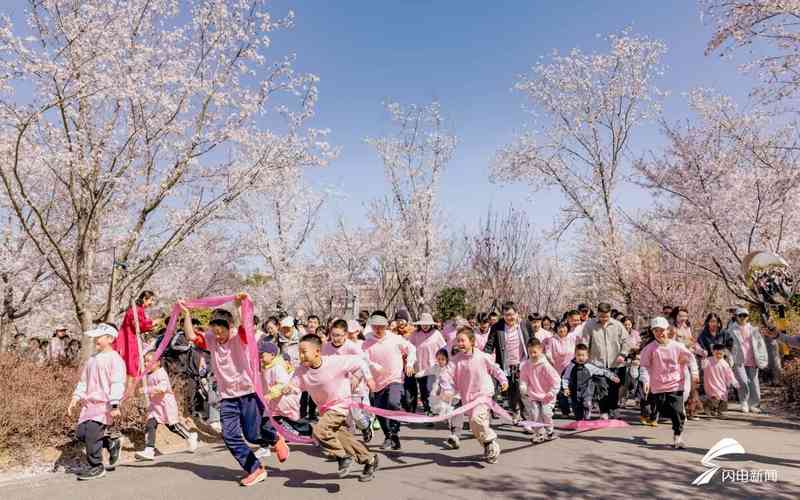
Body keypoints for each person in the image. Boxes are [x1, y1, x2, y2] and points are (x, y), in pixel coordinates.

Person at [179, 295, 289, 487]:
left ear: (230, 328)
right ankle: (255, 469)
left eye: (222, 331)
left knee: (253, 435)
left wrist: (238, 305)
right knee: (230, 437)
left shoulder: (239, 338)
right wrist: (187, 314)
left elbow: (244, 325)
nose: (218, 335)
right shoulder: (211, 339)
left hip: (247, 393)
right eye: (215, 331)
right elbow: (191, 336)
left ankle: (274, 437)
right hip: (227, 397)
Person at [283, 333, 380, 482]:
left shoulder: (335, 362)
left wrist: (368, 378)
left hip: (340, 405)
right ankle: (370, 460)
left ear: (317, 351)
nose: (301, 356)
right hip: (325, 409)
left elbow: (360, 361)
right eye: (299, 353)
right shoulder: (301, 370)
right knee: (344, 439)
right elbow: (294, 385)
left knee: (320, 431)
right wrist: (286, 389)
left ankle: (343, 457)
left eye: (304, 352)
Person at [439, 326, 508, 464]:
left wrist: (503, 380)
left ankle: (491, 443)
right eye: (458, 341)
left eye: (463, 340)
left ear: (472, 341)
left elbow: (495, 368)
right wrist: (447, 389)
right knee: (474, 426)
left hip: (483, 394)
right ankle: (489, 447)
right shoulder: (455, 360)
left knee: (477, 420)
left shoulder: (482, 356)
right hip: (467, 398)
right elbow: (445, 376)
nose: (460, 344)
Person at [67, 323, 125, 481]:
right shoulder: (92, 359)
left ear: (110, 338)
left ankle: (97, 467)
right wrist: (76, 397)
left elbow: (117, 382)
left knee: (92, 434)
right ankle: (111, 443)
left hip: (104, 404)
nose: (95, 340)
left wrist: (114, 404)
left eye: (99, 337)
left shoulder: (115, 359)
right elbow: (84, 381)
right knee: (82, 434)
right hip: (89, 404)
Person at [639, 317, 698, 449]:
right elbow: (644, 366)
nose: (660, 333)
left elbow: (691, 359)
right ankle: (674, 417)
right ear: (653, 332)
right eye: (656, 331)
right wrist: (646, 380)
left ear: (668, 330)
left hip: (676, 384)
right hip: (658, 386)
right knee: (665, 411)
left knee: (676, 411)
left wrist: (694, 373)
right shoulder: (649, 349)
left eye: (662, 330)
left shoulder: (677, 346)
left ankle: (678, 436)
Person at [362, 312, 416, 451]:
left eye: (381, 326)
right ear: (371, 327)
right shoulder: (366, 341)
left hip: (395, 378)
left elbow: (411, 349)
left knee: (393, 402)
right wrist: (373, 368)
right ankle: (389, 436)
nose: (378, 329)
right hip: (377, 382)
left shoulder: (395, 338)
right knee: (380, 411)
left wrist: (409, 363)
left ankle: (394, 432)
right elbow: (362, 359)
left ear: (386, 326)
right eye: (375, 327)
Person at [135, 351, 199, 460]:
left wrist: (146, 390)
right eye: (145, 361)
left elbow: (162, 388)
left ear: (158, 362)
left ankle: (190, 436)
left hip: (166, 405)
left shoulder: (161, 373)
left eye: (149, 361)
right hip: (155, 406)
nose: (146, 364)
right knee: (150, 425)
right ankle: (149, 450)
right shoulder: (149, 375)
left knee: (173, 426)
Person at [323, 319, 373, 443]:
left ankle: (366, 426)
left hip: (354, 386)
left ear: (345, 334)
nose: (335, 338)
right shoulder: (326, 347)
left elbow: (364, 363)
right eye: (333, 335)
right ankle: (348, 444)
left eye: (338, 335)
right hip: (337, 389)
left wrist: (357, 376)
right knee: (346, 418)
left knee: (356, 415)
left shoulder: (352, 347)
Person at [484, 301, 532, 422]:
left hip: (522, 363)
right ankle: (515, 411)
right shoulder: (497, 327)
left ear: (517, 313)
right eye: (506, 315)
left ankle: (527, 421)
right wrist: (483, 358)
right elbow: (489, 345)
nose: (509, 318)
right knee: (511, 393)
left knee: (522, 391)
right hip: (506, 365)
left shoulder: (525, 324)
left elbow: (532, 341)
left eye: (511, 314)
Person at [583, 302, 630, 419]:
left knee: (614, 388)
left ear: (610, 314)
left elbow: (626, 341)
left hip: (616, 363)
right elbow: (584, 342)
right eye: (601, 316)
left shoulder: (617, 325)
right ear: (598, 313)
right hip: (597, 363)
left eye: (606, 316)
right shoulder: (589, 325)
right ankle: (603, 411)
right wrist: (584, 357)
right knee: (602, 387)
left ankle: (613, 409)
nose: (604, 319)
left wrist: (623, 355)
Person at [257, 338, 311, 440]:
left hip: (284, 402)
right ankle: (271, 444)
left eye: (262, 355)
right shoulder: (266, 367)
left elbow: (282, 384)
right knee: (265, 426)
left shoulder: (277, 367)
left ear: (272, 355)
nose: (260, 358)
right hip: (273, 405)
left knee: (297, 423)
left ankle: (313, 435)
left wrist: (270, 394)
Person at [113, 290, 156, 398]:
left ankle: (128, 396)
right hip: (129, 342)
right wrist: (152, 323)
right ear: (145, 299)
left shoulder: (137, 310)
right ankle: (128, 396)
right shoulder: (135, 311)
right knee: (131, 367)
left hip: (131, 340)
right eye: (151, 300)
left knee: (131, 367)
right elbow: (138, 325)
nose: (152, 303)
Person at [561, 344, 620, 421]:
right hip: (575, 392)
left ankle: (587, 417)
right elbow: (565, 377)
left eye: (583, 355)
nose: (581, 357)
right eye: (578, 355)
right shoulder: (571, 366)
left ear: (587, 356)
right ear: (575, 355)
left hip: (587, 391)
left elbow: (602, 371)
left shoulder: (589, 366)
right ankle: (580, 419)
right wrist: (565, 388)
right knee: (577, 411)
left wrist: (612, 377)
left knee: (587, 404)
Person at [519, 338, 560, 443]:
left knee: (546, 414)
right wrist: (523, 387)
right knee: (535, 414)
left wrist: (551, 392)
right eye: (530, 352)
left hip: (547, 395)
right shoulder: (526, 365)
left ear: (540, 350)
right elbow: (523, 379)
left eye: (535, 352)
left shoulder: (545, 366)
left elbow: (556, 380)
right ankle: (539, 433)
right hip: (534, 394)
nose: (532, 355)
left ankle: (550, 432)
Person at [728, 308, 768, 413]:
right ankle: (744, 402)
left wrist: (762, 359)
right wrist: (729, 357)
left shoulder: (753, 330)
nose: (742, 318)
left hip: (752, 359)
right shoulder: (731, 330)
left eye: (744, 316)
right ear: (736, 317)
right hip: (738, 359)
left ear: (748, 317)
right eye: (740, 315)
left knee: (754, 383)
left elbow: (760, 345)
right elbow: (727, 345)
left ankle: (754, 404)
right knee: (743, 381)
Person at [409, 313, 446, 416]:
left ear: (431, 324)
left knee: (431, 388)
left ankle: (433, 408)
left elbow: (444, 348)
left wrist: (443, 361)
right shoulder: (415, 334)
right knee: (423, 389)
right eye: (423, 324)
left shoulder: (437, 334)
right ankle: (427, 409)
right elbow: (409, 347)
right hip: (420, 367)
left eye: (427, 324)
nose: (425, 326)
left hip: (433, 366)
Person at [544, 321, 577, 416]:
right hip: (556, 368)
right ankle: (565, 410)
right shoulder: (552, 340)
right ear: (556, 329)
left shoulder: (572, 338)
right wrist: (550, 360)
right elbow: (548, 352)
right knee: (561, 390)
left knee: (572, 389)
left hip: (571, 367)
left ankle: (576, 410)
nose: (562, 330)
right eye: (560, 328)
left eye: (564, 327)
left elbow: (576, 350)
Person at [702, 344, 740, 417]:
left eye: (721, 354)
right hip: (711, 384)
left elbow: (730, 374)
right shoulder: (708, 360)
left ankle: (719, 411)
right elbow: (703, 366)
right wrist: (704, 358)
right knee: (715, 397)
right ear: (713, 352)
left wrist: (734, 382)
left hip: (721, 384)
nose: (719, 355)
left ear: (724, 353)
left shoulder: (724, 364)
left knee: (723, 399)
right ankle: (708, 407)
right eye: (717, 353)